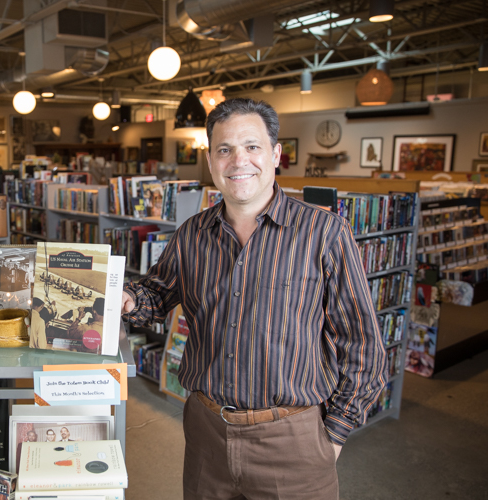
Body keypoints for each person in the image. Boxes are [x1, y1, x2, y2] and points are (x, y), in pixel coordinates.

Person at [121, 98, 387, 499]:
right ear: (210, 160)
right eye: (224, 149)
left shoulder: (325, 233)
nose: (238, 160)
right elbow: (156, 294)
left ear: (276, 154)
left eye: (252, 146)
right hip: (206, 433)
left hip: (293, 440)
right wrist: (122, 297)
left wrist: (332, 437)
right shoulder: (192, 233)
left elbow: (363, 345)